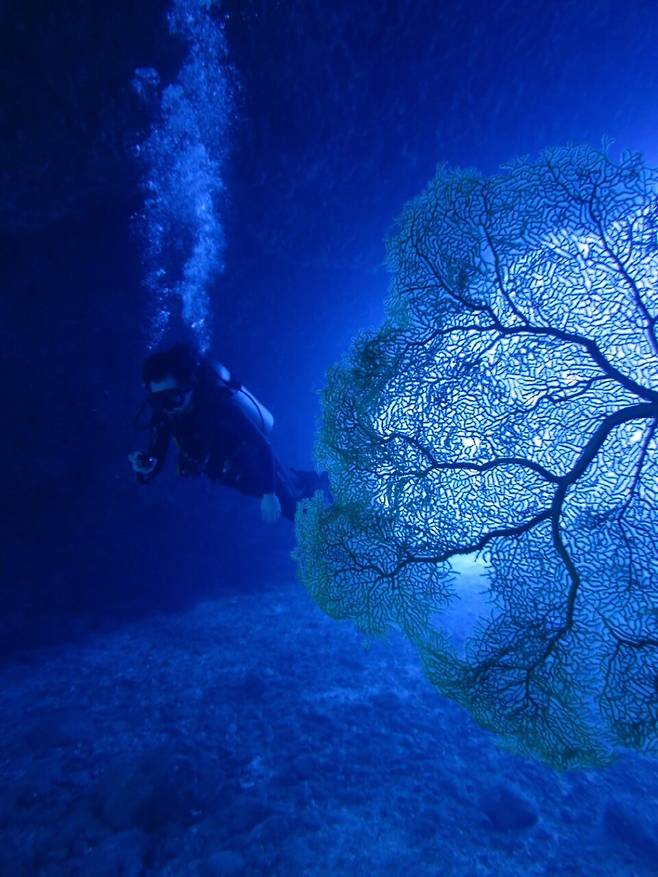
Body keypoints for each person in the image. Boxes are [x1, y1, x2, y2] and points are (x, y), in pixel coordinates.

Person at [129, 343, 331, 522]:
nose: (166, 407)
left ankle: (324, 486)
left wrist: (269, 494)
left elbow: (262, 445)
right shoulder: (165, 415)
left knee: (294, 509)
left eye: (173, 398)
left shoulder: (217, 405)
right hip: (229, 475)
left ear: (188, 387)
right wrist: (147, 468)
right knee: (293, 485)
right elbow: (157, 456)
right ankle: (315, 479)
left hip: (253, 463)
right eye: (158, 400)